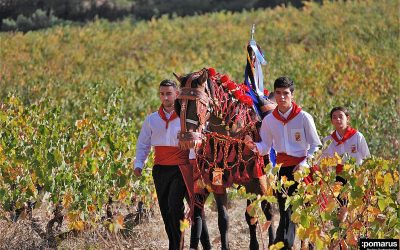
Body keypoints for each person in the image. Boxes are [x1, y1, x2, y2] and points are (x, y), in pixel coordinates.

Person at [244, 76, 321, 249]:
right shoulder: (269, 121)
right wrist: (252, 145)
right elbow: (265, 147)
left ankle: (290, 244)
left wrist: (305, 164)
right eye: (278, 93)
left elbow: (316, 145)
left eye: (285, 93)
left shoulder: (304, 117)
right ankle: (285, 244)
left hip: (302, 170)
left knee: (300, 214)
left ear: (292, 95)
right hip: (282, 171)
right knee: (286, 211)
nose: (281, 97)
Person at [134, 79, 192, 250]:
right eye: (162, 94)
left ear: (177, 94)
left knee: (175, 205)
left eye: (169, 93)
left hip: (180, 168)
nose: (165, 97)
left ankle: (178, 245)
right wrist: (139, 164)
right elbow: (143, 144)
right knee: (165, 209)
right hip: (160, 169)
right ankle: (173, 244)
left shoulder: (186, 118)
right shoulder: (151, 119)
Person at [323, 106, 370, 184]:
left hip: (355, 177)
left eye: (340, 116)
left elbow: (366, 157)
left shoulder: (357, 136)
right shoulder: (328, 140)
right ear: (331, 121)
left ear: (347, 118)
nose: (338, 119)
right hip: (335, 180)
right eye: (334, 117)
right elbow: (324, 162)